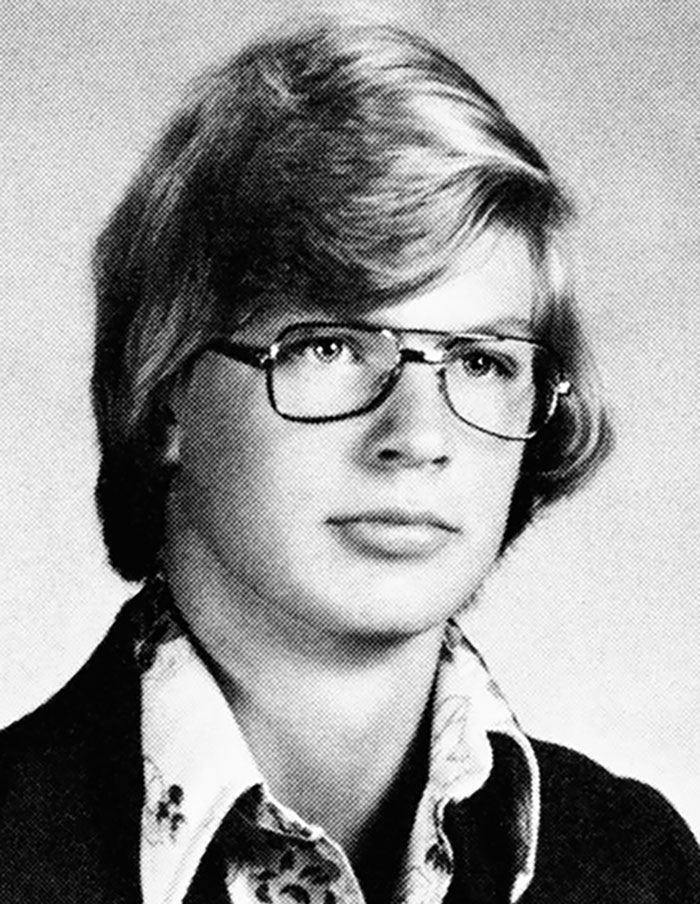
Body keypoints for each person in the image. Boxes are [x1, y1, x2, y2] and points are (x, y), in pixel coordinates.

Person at [0, 17, 698, 904]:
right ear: (168, 392)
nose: (418, 436)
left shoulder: (637, 867)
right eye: (328, 346)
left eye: (480, 362)